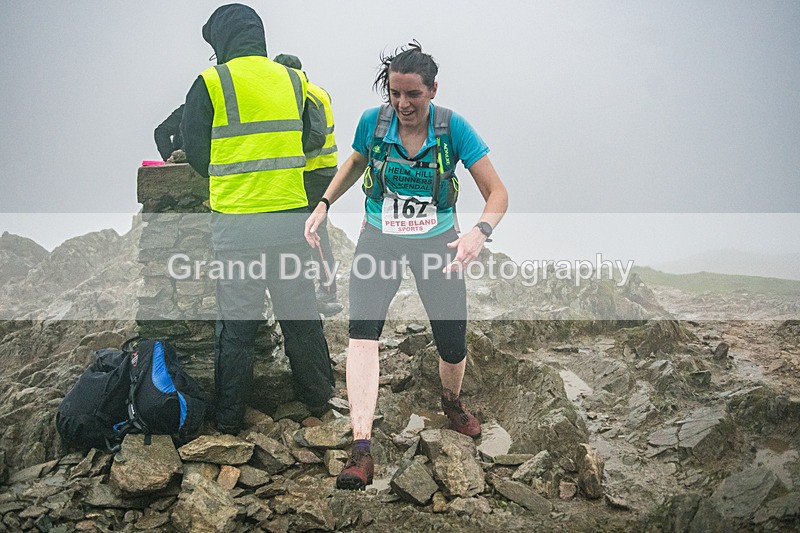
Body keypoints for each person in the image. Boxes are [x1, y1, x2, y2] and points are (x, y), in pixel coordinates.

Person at [305, 42, 508, 490]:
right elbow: (356, 161)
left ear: (433, 89)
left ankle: (451, 401)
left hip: (439, 242)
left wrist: (478, 234)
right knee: (362, 335)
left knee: (452, 342)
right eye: (395, 93)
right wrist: (323, 203)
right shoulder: (373, 123)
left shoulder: (454, 128)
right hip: (380, 239)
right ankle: (361, 449)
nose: (403, 104)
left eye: (413, 94)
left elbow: (498, 193)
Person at [181, 3, 334, 434]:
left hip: (237, 226)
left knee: (238, 329)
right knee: (300, 316)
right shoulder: (292, 79)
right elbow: (312, 139)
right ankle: (319, 402)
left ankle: (229, 419)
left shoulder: (211, 82)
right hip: (288, 219)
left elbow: (195, 154)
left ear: (222, 40)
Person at [274, 53, 343, 317]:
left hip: (314, 174)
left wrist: (289, 154)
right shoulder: (317, 90)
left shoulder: (303, 94)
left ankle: (327, 294)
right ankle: (324, 291)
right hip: (323, 172)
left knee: (315, 235)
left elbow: (314, 136)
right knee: (315, 234)